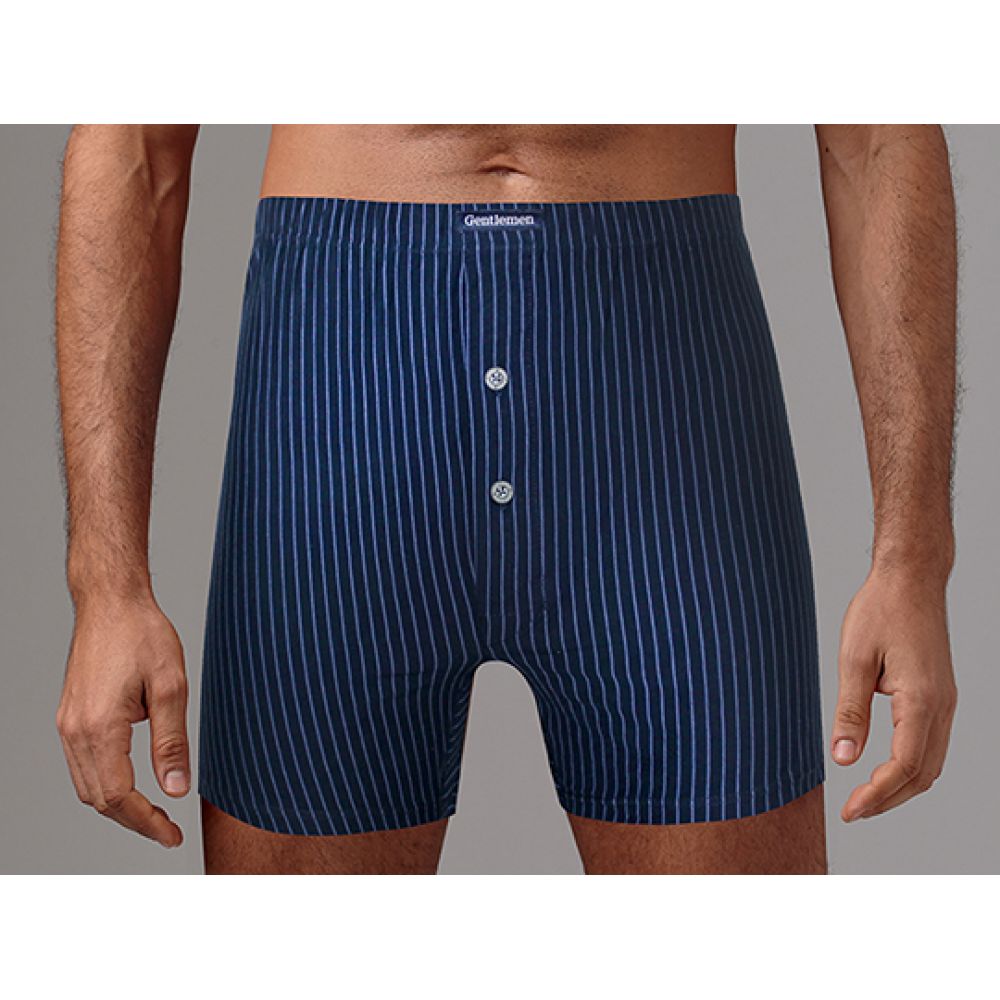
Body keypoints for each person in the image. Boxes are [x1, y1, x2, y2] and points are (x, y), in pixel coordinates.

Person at [53, 125, 958, 874]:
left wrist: (913, 560)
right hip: (344, 387)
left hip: (662, 400)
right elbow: (133, 143)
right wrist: (106, 586)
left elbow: (878, 137)